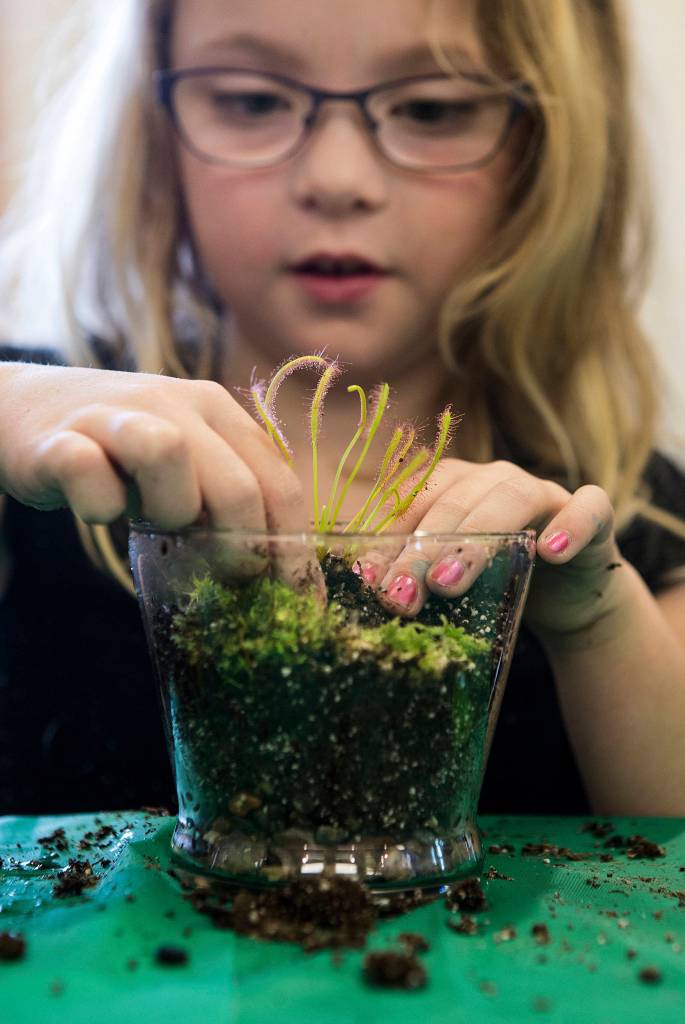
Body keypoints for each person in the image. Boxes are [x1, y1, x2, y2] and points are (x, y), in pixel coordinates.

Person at [0, 0, 683, 818]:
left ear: (545, 147)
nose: (337, 180)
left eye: (433, 108)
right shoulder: (43, 459)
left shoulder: (631, 525)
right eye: (252, 100)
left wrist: (600, 625)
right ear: (154, 128)